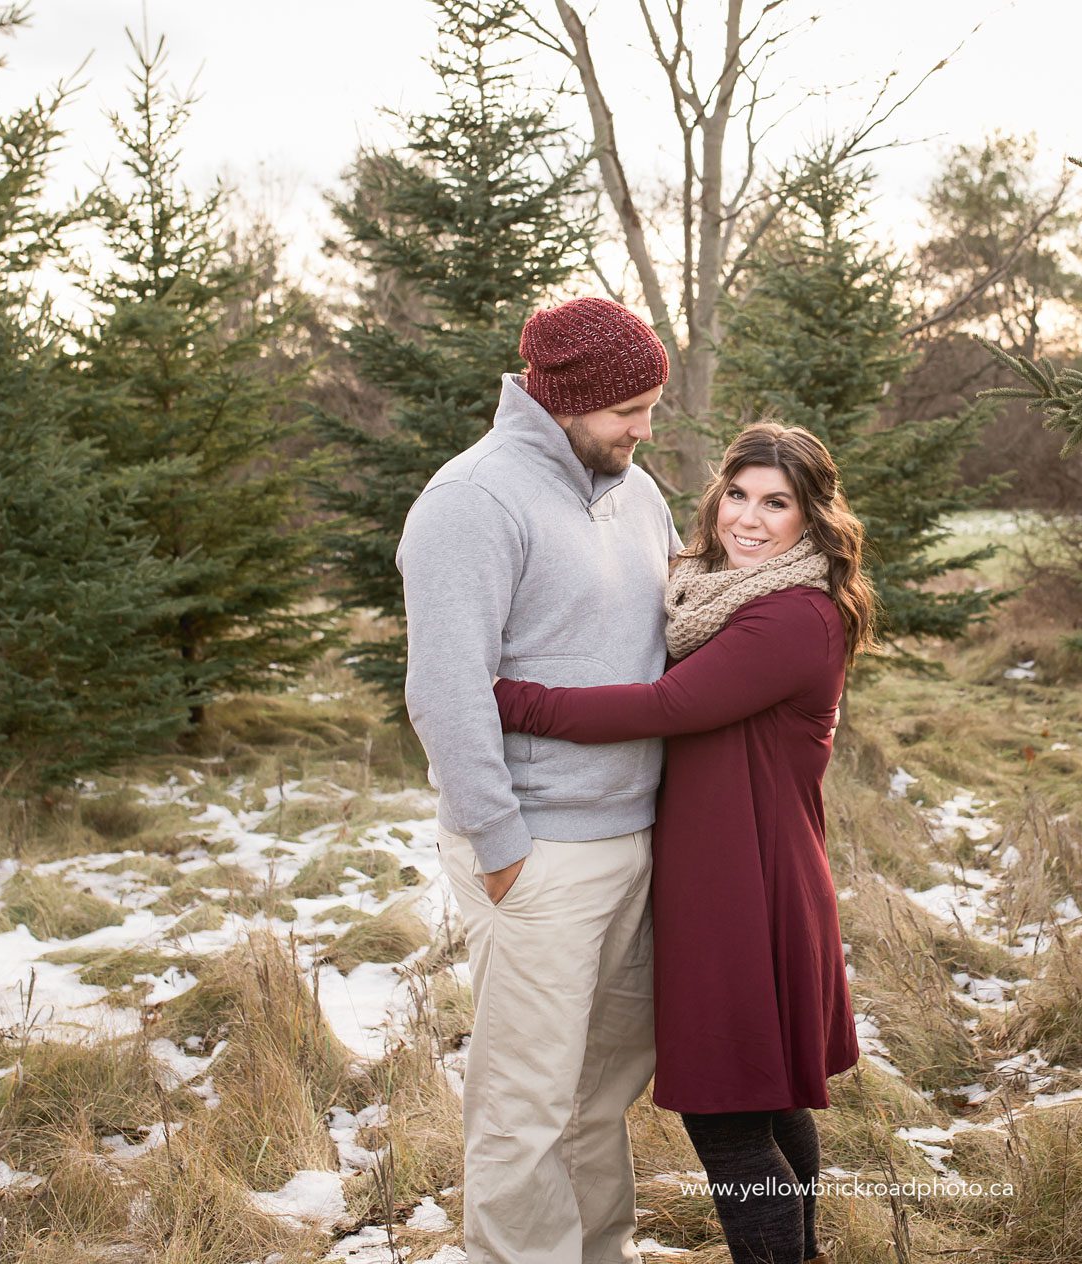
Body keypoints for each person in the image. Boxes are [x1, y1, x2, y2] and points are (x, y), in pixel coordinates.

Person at [493, 422, 877, 1264]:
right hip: (745, 874)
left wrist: (511, 700)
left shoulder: (791, 616)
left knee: (728, 1120)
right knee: (769, 1103)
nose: (748, 518)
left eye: (776, 503)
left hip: (744, 889)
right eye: (737, 494)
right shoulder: (722, 593)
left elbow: (666, 706)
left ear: (811, 518)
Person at [396, 296, 682, 1264]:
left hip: (637, 838)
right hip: (538, 853)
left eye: (652, 407)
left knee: (603, 1090)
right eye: (630, 410)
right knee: (527, 1102)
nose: (646, 429)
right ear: (566, 400)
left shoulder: (638, 493)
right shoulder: (472, 500)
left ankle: (599, 1251)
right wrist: (499, 843)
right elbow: (445, 687)